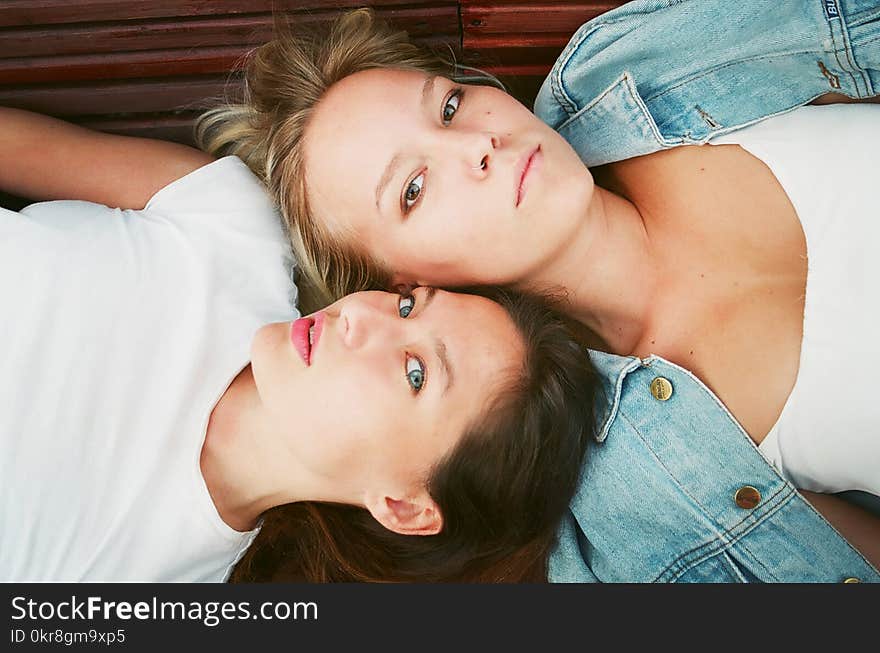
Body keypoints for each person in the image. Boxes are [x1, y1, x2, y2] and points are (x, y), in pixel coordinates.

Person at [194, 5, 880, 581]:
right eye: (413, 188)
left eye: (449, 105)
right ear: (405, 283)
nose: (476, 146)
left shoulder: (618, 67)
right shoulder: (633, 485)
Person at [0, 107, 598, 582]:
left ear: (405, 507)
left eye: (415, 371)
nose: (361, 316)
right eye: (409, 305)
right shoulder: (232, 225)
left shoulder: (134, 583)